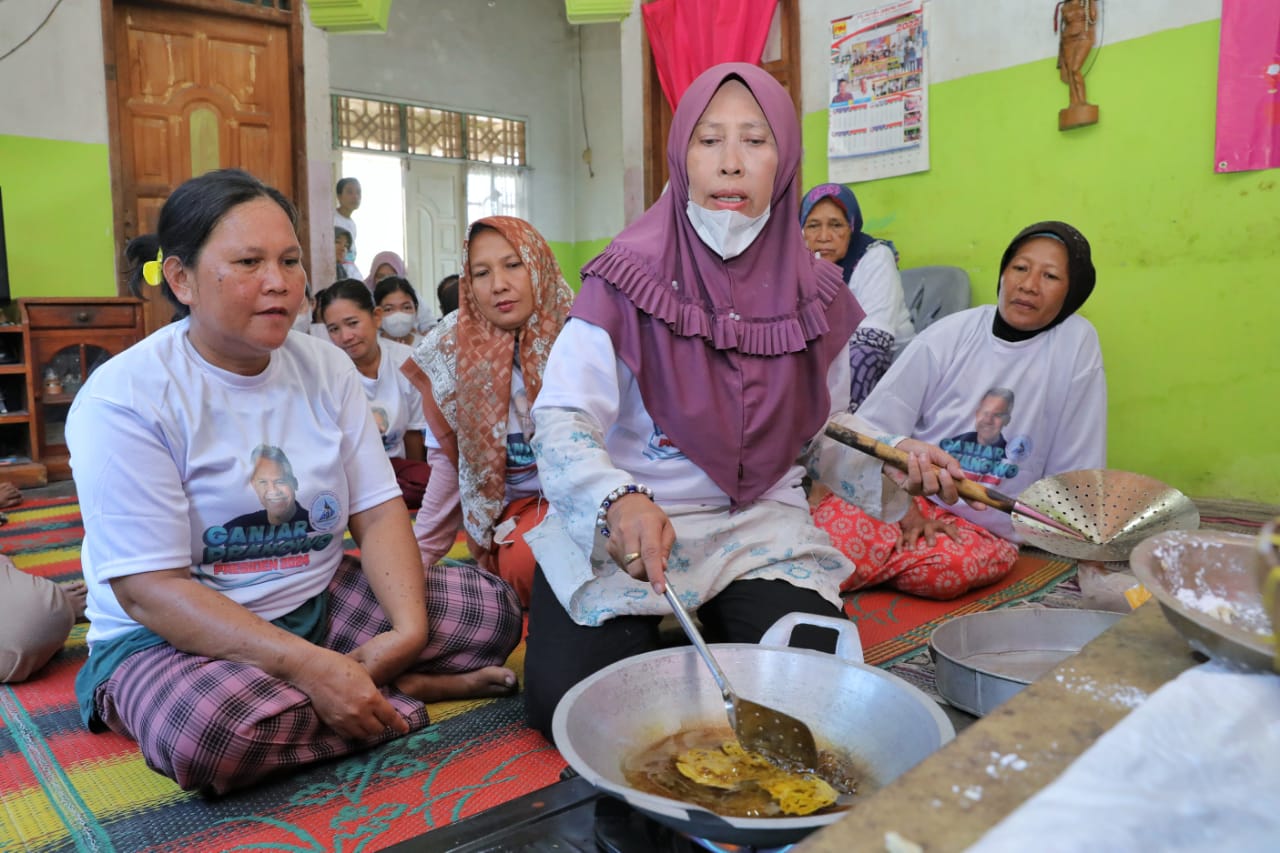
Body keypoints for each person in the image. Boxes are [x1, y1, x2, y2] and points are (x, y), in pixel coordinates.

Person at [519, 63, 971, 740]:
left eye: (754, 141)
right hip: (639, 528)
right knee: (571, 705)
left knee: (814, 699)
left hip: (760, 527)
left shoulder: (819, 295)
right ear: (681, 155)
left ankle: (695, 639)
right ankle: (673, 637)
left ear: (783, 159)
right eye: (709, 141)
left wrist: (891, 457)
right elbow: (562, 417)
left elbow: (820, 436)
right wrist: (617, 499)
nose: (730, 164)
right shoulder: (621, 276)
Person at [68, 168, 521, 795]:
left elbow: (379, 509)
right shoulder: (124, 398)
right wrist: (311, 669)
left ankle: (355, 687)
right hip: (174, 640)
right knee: (213, 732)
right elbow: (149, 590)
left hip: (318, 600)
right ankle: (393, 697)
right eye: (249, 261)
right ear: (181, 279)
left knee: (493, 611)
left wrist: (408, 630)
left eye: (290, 260)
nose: (279, 282)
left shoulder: (325, 366)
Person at [812, 220, 1106, 600]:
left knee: (949, 571)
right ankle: (873, 559)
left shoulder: (1076, 345)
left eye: (1049, 276)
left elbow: (1077, 459)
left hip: (984, 525)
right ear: (1004, 271)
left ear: (1073, 292)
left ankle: (877, 562)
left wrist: (1086, 551)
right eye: (1019, 268)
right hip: (906, 499)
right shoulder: (950, 334)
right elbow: (875, 431)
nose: (1028, 284)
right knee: (826, 548)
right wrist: (905, 509)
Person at [402, 217, 574, 609]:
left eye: (513, 265)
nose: (498, 284)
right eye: (482, 272)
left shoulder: (582, 334)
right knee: (532, 557)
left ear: (539, 265)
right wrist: (413, 565)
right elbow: (451, 471)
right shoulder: (450, 352)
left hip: (593, 501)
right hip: (518, 514)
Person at [318, 279, 433, 509]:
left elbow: (413, 434)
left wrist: (416, 480)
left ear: (376, 317)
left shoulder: (407, 360)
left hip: (395, 466)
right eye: (334, 329)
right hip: (350, 470)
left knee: (430, 482)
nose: (346, 336)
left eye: (352, 323)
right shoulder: (325, 371)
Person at [800, 183, 915, 410]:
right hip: (829, 379)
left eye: (836, 225)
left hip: (890, 379)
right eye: (813, 226)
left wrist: (840, 424)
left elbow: (871, 349)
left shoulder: (874, 258)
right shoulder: (796, 265)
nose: (824, 237)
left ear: (852, 227)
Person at [1057, 0, 1098, 109]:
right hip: (1068, 39)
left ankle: (1082, 101)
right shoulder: (1065, 6)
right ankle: (1073, 104)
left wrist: (1091, 2)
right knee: (1070, 72)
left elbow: (1093, 17)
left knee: (1075, 69)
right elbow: (1063, 26)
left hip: (1084, 35)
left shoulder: (1086, 2)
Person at [374, 277, 426, 347]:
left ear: (416, 310)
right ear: (378, 314)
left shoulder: (426, 346)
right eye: (389, 309)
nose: (399, 315)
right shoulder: (370, 347)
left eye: (406, 307)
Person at [334, 177, 361, 273]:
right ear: (339, 196)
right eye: (350, 192)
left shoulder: (352, 224)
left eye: (358, 192)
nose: (355, 196)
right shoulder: (332, 219)